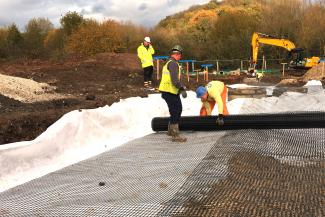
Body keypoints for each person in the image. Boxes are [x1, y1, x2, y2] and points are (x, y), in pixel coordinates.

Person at [159, 45, 187, 142]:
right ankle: (175, 135)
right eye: (180, 55)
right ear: (178, 54)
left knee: (174, 110)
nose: (180, 57)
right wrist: (182, 88)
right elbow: (174, 80)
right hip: (169, 91)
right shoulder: (173, 64)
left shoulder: (169, 62)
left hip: (168, 91)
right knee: (177, 110)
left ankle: (171, 131)